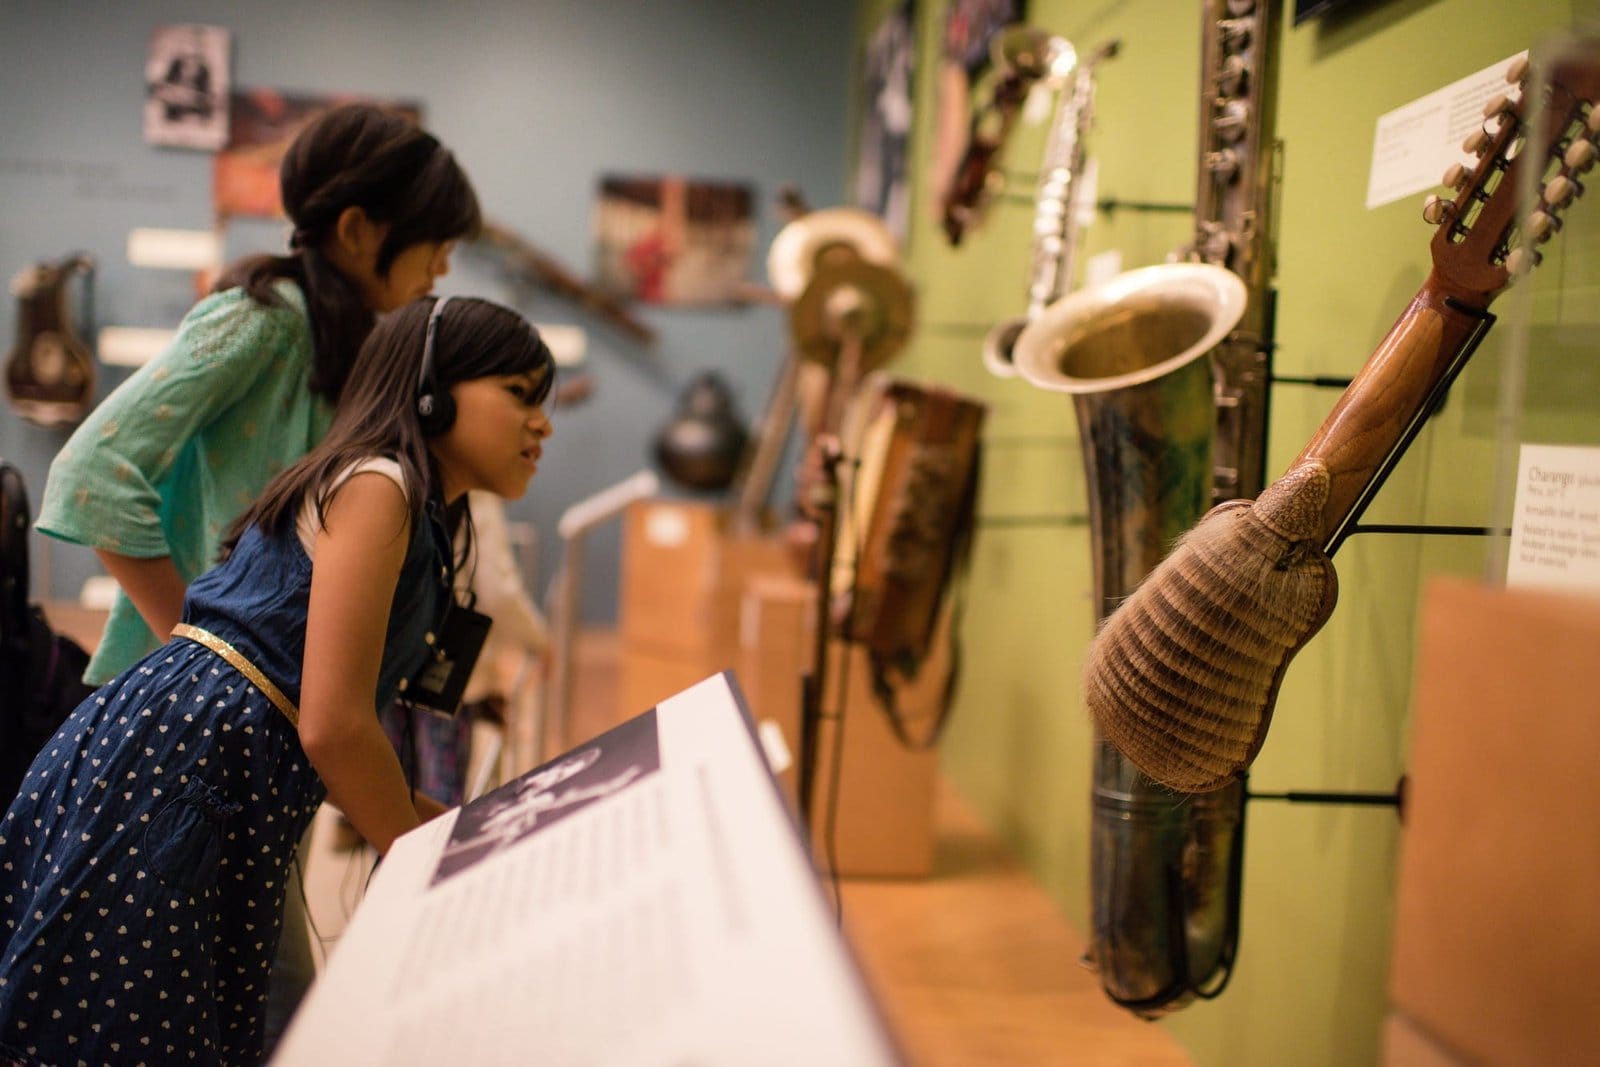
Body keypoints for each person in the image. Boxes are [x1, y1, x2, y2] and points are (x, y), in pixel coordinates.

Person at [0, 295, 556, 1065]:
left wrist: (451, 826)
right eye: (521, 394)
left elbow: (318, 731)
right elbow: (330, 724)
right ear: (431, 390)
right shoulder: (379, 486)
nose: (543, 424)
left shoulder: (415, 511)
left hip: (210, 780)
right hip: (175, 778)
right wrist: (433, 851)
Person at [32, 100, 480, 1045]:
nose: (443, 267)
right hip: (189, 741)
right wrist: (196, 651)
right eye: (433, 244)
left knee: (258, 998)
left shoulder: (350, 352)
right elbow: (93, 467)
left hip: (259, 746)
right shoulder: (262, 319)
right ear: (360, 230)